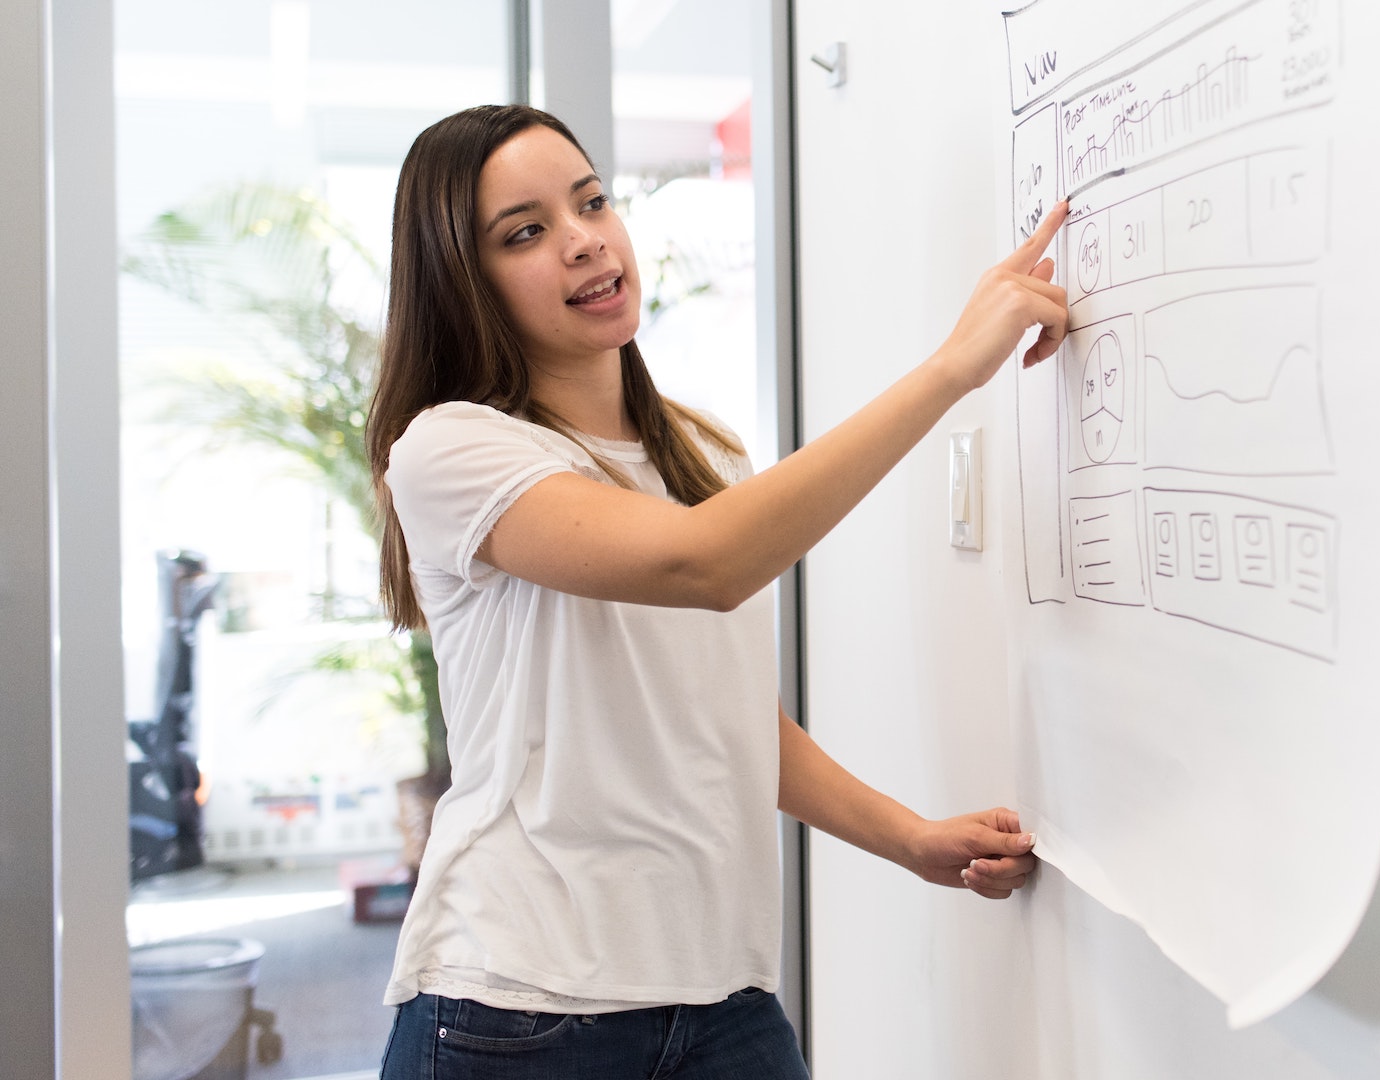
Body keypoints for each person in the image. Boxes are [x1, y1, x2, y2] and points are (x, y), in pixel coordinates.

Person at [365, 104, 1068, 1079]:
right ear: (464, 281)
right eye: (524, 232)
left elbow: (726, 721)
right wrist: (953, 370)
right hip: (520, 1009)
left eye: (591, 203)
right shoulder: (452, 448)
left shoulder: (702, 455)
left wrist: (911, 840)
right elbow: (703, 563)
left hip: (723, 1002)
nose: (582, 243)